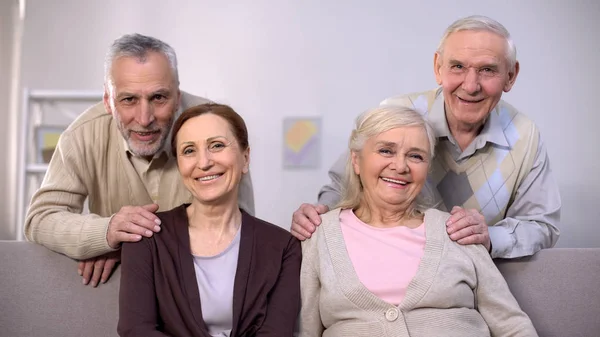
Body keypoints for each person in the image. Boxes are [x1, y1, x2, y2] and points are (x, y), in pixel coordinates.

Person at [291, 15, 560, 259]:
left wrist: (490, 236)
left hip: (472, 274)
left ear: (510, 76)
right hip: (389, 261)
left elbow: (542, 225)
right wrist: (318, 215)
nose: (470, 85)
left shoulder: (526, 135)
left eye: (487, 70)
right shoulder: (396, 114)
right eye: (457, 66)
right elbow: (343, 186)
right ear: (438, 67)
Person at [23, 33, 255, 287]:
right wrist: (106, 232)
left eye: (158, 98)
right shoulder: (81, 136)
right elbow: (40, 219)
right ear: (108, 101)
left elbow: (238, 228)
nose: (144, 119)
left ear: (177, 97)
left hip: (203, 286)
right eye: (129, 99)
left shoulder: (216, 126)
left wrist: (130, 250)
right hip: (116, 292)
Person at [299, 105, 538, 336]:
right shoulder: (319, 236)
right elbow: (304, 329)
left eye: (415, 156)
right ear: (356, 160)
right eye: (386, 151)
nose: (400, 166)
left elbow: (512, 326)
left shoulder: (459, 231)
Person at [118, 103, 301, 337]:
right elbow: (135, 330)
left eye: (216, 146)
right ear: (179, 165)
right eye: (189, 151)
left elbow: (276, 333)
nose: (203, 162)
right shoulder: (146, 237)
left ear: (245, 158)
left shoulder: (283, 248)